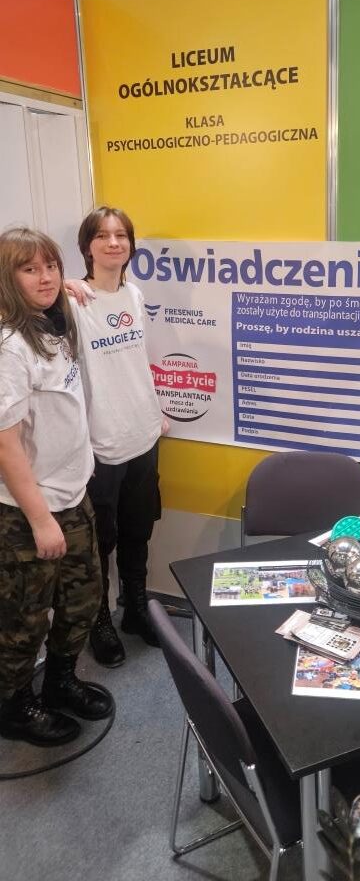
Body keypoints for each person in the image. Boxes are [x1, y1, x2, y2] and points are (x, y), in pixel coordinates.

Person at [0, 227, 111, 747]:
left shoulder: (50, 324)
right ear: (7, 279)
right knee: (24, 619)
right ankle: (15, 706)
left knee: (82, 600)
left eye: (50, 266)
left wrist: (67, 287)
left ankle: (60, 681)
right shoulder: (9, 347)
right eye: (29, 269)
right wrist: (41, 519)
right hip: (29, 512)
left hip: (73, 495)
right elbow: (5, 446)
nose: (44, 278)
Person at [70, 206, 166, 668]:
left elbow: (136, 360)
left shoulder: (133, 293)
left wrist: (155, 411)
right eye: (103, 235)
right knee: (100, 540)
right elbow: (18, 308)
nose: (114, 243)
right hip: (101, 443)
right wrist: (61, 286)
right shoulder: (72, 302)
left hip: (143, 433)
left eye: (121, 235)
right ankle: (100, 620)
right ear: (87, 246)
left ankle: (135, 608)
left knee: (137, 529)